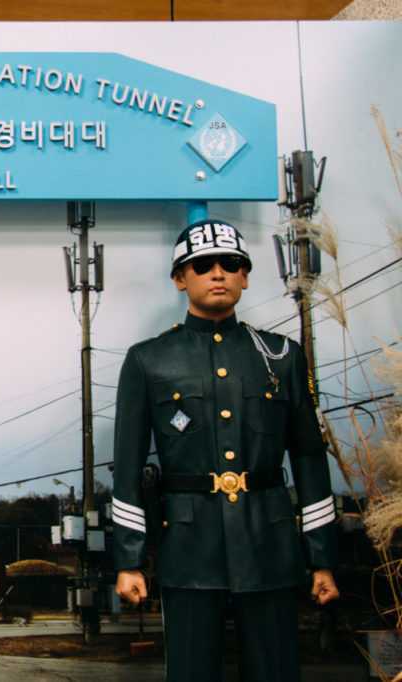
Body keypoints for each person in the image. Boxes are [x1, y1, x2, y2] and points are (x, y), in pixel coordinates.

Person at [111, 219, 339, 682]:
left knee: (277, 672)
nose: (218, 273)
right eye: (202, 265)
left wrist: (323, 558)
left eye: (230, 264)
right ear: (180, 278)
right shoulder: (148, 360)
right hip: (189, 548)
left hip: (269, 545)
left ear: (245, 276)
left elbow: (310, 459)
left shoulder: (280, 356)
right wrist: (129, 561)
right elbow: (129, 467)